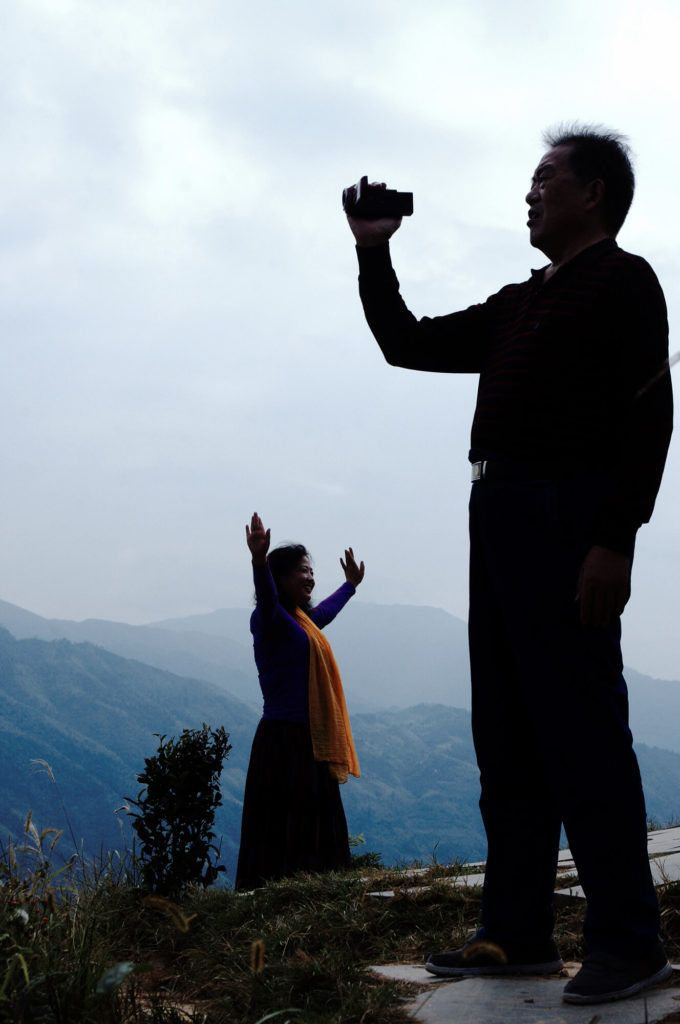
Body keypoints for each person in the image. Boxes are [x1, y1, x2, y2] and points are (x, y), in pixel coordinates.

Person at [346, 125, 674, 1005]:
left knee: (583, 729)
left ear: (593, 193)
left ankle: (629, 940)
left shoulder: (625, 281)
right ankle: (515, 931)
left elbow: (651, 418)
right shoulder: (519, 303)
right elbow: (406, 341)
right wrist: (373, 254)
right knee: (508, 734)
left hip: (569, 516)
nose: (529, 194)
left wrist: (617, 537)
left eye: (545, 179)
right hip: (495, 513)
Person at [235, 512, 364, 889]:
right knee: (284, 818)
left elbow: (322, 613)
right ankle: (276, 888)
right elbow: (267, 595)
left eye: (311, 571)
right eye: (301, 572)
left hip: (310, 738)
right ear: (281, 578)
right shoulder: (269, 619)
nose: (309, 578)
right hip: (282, 739)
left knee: (314, 815)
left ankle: (317, 887)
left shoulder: (300, 622)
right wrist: (259, 561)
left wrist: (350, 586)